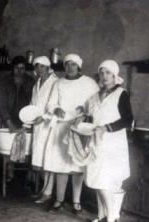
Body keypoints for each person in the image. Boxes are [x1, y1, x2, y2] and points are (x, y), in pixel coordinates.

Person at [44, 53, 99, 213]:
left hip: (79, 128)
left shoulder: (89, 83)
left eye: (73, 64)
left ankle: (76, 202)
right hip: (62, 128)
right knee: (61, 164)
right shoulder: (58, 83)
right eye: (67, 64)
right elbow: (50, 104)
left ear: (79, 66)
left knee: (77, 166)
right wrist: (57, 109)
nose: (70, 67)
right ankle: (59, 200)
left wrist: (84, 109)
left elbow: (96, 103)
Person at [84, 60, 132, 222]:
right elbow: (90, 119)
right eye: (102, 73)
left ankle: (111, 217)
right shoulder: (94, 97)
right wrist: (82, 126)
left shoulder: (121, 94)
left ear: (115, 75)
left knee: (105, 181)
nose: (104, 77)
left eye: (108, 73)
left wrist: (105, 128)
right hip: (96, 142)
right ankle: (102, 216)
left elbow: (128, 120)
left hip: (113, 144)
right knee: (98, 180)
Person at [30, 56, 59, 204]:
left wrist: (44, 117)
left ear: (48, 68)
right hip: (37, 125)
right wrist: (28, 119)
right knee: (41, 160)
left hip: (49, 126)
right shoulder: (37, 84)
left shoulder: (55, 83)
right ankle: (44, 190)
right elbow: (33, 105)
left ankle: (48, 193)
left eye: (42, 67)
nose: (39, 69)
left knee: (48, 159)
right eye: (37, 67)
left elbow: (56, 106)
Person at [0, 56, 35, 131]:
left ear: (25, 69)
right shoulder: (5, 81)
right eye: (16, 68)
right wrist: (9, 123)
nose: (19, 71)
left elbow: (33, 104)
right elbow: (2, 104)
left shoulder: (31, 82)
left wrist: (28, 123)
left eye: (22, 68)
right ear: (12, 68)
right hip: (7, 119)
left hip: (26, 120)